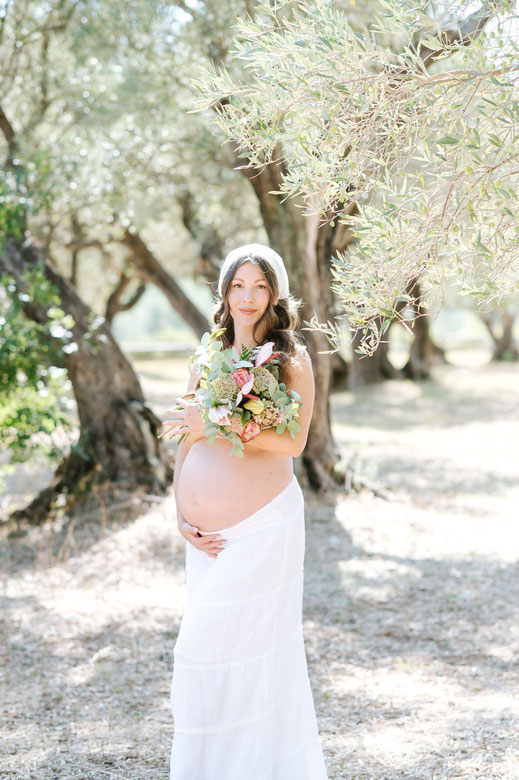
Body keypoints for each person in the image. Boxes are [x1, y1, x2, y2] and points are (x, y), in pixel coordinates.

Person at [164, 243, 328, 779]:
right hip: (207, 539)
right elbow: (186, 436)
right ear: (225, 292)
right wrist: (180, 511)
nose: (249, 297)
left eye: (260, 286)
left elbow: (294, 442)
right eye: (239, 285)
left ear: (275, 294)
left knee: (221, 650)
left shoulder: (290, 358)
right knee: (211, 657)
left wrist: (216, 423)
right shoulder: (207, 351)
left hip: (263, 529)